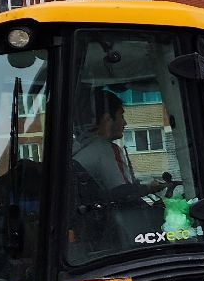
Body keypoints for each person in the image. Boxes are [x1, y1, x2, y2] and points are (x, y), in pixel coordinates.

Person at [72, 89, 168, 253]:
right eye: (121, 115)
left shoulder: (78, 149)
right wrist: (149, 188)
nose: (125, 123)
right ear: (107, 119)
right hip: (112, 236)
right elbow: (122, 194)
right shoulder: (106, 149)